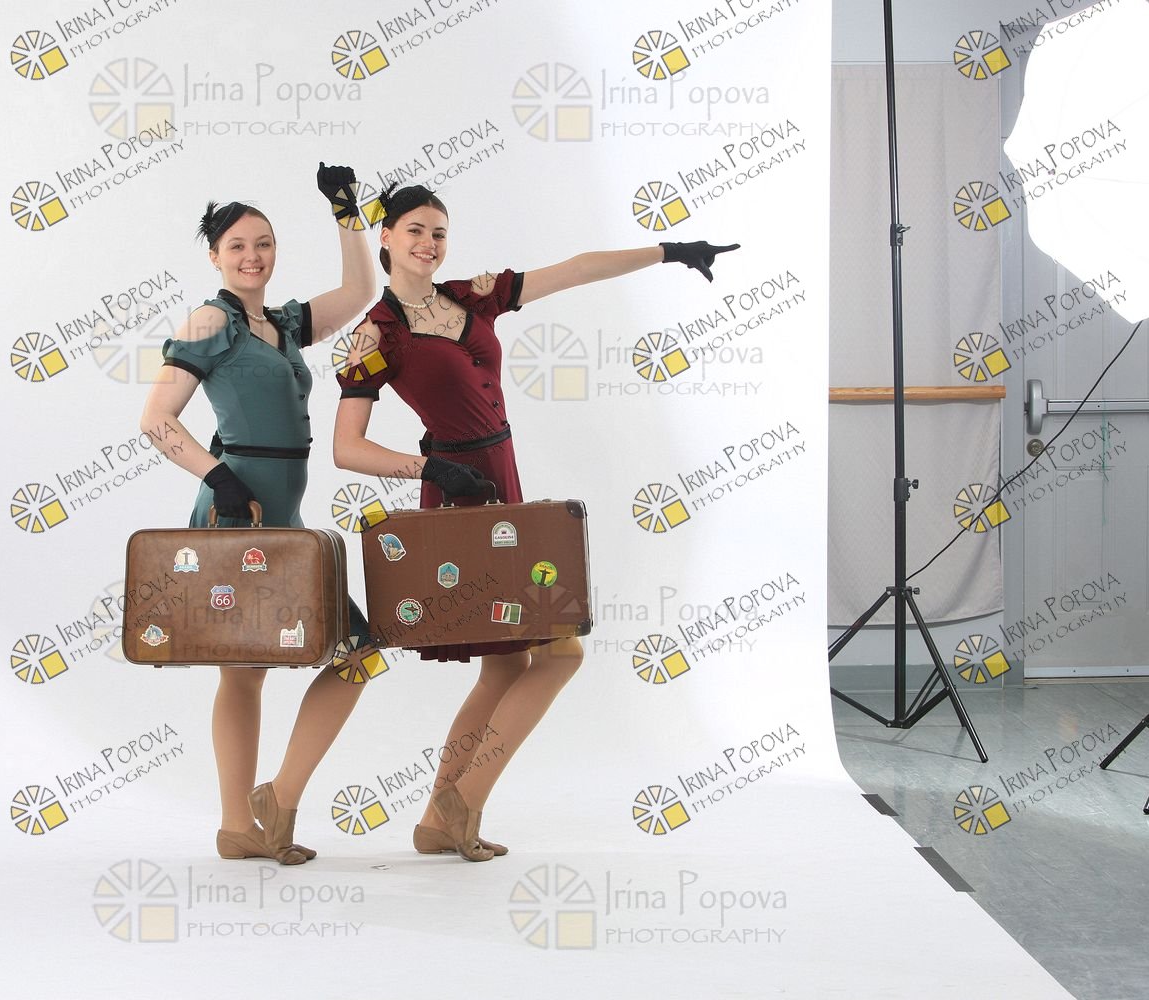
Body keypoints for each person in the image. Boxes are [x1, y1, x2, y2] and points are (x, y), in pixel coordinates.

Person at [332, 183, 738, 861]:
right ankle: (463, 803)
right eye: (415, 231)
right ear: (386, 238)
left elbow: (576, 269)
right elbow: (347, 448)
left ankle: (436, 821)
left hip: (506, 491)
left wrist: (670, 251)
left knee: (507, 667)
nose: (429, 243)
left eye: (439, 232)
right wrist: (428, 468)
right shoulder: (377, 334)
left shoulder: (472, 296)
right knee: (559, 652)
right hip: (458, 500)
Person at [140, 164, 380, 865]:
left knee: (357, 654)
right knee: (245, 672)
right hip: (238, 516)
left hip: (285, 522)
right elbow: (156, 420)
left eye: (264, 244)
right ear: (215, 256)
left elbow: (361, 292)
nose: (253, 256)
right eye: (238, 246)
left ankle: (273, 799)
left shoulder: (282, 323)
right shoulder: (211, 321)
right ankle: (238, 825)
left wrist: (346, 212)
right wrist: (217, 478)